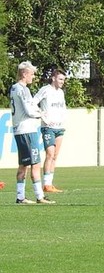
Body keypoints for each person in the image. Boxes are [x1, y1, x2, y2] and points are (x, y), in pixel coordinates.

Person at [10, 61, 54, 204]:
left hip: (20, 130)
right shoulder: (22, 89)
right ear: (24, 73)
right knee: (35, 163)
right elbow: (29, 111)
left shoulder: (14, 88)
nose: (33, 77)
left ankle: (20, 196)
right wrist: (41, 115)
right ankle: (39, 196)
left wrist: (39, 111)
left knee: (24, 164)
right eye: (32, 74)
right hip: (27, 130)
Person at [34, 69, 68, 193]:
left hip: (60, 127)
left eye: (63, 80)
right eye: (60, 79)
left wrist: (63, 120)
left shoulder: (61, 93)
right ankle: (46, 185)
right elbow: (33, 102)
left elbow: (63, 107)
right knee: (49, 154)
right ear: (53, 78)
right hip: (48, 127)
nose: (62, 82)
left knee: (55, 156)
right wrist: (42, 115)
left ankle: (50, 184)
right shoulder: (45, 90)